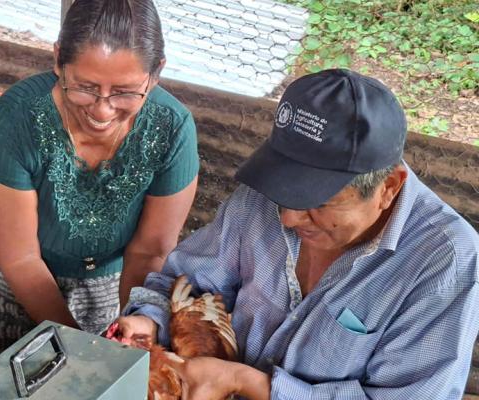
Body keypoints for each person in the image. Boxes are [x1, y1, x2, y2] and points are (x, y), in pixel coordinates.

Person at [116, 69, 479, 399]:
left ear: (388, 188)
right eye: (285, 192)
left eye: (318, 202)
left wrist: (251, 384)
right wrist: (150, 321)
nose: (288, 217)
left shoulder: (444, 262)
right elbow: (187, 282)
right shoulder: (265, 194)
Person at [0, 0, 199, 375]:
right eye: (85, 87)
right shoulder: (15, 121)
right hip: (11, 286)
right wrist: (79, 352)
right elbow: (21, 259)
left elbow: (149, 252)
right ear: (58, 60)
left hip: (112, 286)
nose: (102, 110)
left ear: (156, 74)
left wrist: (132, 322)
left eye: (125, 92)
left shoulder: (171, 128)